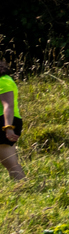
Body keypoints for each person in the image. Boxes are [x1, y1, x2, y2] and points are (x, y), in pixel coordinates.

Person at [0, 53, 23, 183]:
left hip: (4, 122)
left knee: (10, 163)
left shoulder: (3, 81)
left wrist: (8, 127)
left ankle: (24, 187)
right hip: (5, 122)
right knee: (10, 162)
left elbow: (8, 105)